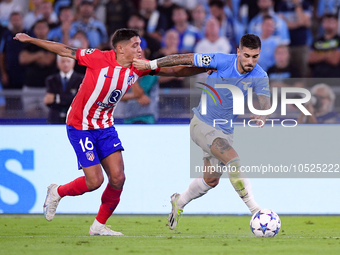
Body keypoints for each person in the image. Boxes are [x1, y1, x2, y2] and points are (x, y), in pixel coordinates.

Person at [14, 28, 207, 235]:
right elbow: (64, 50)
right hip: (80, 125)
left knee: (118, 178)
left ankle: (98, 226)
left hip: (105, 126)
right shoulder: (97, 57)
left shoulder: (138, 67)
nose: (140, 49)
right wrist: (31, 39)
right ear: (120, 48)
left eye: (140, 44)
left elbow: (175, 71)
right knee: (94, 181)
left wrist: (203, 68)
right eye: (135, 45)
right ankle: (57, 191)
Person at [133, 34, 271, 230]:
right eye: (246, 55)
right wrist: (151, 65)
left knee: (211, 180)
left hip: (226, 131)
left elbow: (265, 100)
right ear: (238, 51)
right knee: (234, 160)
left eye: (255, 57)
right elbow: (184, 59)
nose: (250, 61)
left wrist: (263, 115)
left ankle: (178, 202)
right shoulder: (220, 60)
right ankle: (256, 211)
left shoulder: (259, 75)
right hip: (202, 124)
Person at [44, 56, 83, 124]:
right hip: (54, 119)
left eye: (68, 61)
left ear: (73, 63)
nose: (66, 64)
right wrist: (69, 97)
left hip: (75, 120)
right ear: (58, 63)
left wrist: (56, 98)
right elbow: (49, 101)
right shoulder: (51, 80)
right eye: (63, 61)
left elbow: (79, 100)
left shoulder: (82, 79)